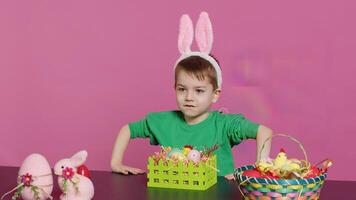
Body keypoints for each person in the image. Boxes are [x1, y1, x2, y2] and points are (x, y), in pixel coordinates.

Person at [111, 12, 272, 180]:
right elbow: (127, 129)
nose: (189, 97)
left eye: (199, 91)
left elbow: (264, 132)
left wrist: (258, 170)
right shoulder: (163, 122)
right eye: (182, 89)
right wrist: (116, 162)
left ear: (215, 95)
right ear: (175, 88)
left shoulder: (225, 124)